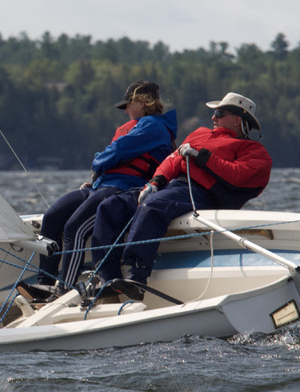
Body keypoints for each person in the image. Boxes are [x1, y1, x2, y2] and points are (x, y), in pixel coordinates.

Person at [91, 91, 272, 294]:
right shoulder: (201, 133)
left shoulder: (254, 151)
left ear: (237, 120)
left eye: (219, 114)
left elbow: (239, 175)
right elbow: (173, 159)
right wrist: (155, 182)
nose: (213, 118)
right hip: (171, 186)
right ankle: (107, 278)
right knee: (110, 206)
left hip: (199, 192)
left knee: (153, 206)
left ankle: (136, 275)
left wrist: (203, 157)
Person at [27, 81, 177, 298]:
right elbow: (112, 154)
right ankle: (45, 282)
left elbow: (115, 151)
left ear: (144, 103)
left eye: (128, 104)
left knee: (75, 228)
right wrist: (100, 166)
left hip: (121, 188)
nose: (125, 109)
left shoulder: (153, 126)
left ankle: (64, 288)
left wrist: (98, 162)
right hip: (100, 187)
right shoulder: (134, 127)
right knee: (52, 217)